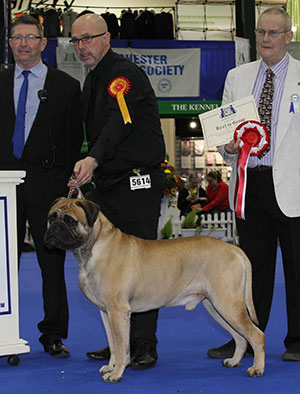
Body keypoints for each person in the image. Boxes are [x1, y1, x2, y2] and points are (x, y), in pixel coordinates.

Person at [69, 14, 166, 369]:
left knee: (144, 268)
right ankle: (118, 346)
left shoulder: (123, 76)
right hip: (108, 187)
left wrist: (92, 158)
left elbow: (118, 123)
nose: (82, 47)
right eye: (76, 41)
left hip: (138, 183)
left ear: (107, 38)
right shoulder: (92, 81)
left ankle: (144, 345)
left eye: (88, 39)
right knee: (107, 270)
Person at [208, 7, 300, 361]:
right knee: (249, 271)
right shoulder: (237, 76)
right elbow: (222, 132)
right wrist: (227, 147)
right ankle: (246, 338)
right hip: (249, 185)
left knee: (296, 268)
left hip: (292, 187)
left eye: (274, 33)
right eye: (261, 32)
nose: (265, 39)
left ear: (288, 36)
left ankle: (297, 341)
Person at [0, 15, 83, 357]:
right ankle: (4, 332)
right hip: (3, 185)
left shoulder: (65, 86)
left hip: (48, 186)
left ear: (43, 43)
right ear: (10, 43)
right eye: (17, 38)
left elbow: (73, 137)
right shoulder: (1, 81)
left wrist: (67, 181)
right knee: (4, 264)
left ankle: (53, 334)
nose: (23, 44)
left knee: (52, 264)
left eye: (30, 38)